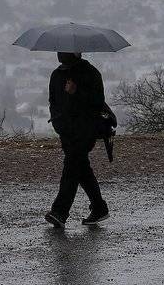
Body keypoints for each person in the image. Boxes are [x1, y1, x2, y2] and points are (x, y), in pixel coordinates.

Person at [45, 51, 109, 228]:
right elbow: (53, 101)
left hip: (85, 129)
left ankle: (60, 211)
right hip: (66, 131)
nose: (60, 54)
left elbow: (97, 102)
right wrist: (58, 124)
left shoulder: (90, 73)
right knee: (81, 169)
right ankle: (99, 207)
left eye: (63, 51)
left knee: (72, 167)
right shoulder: (57, 75)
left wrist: (76, 92)